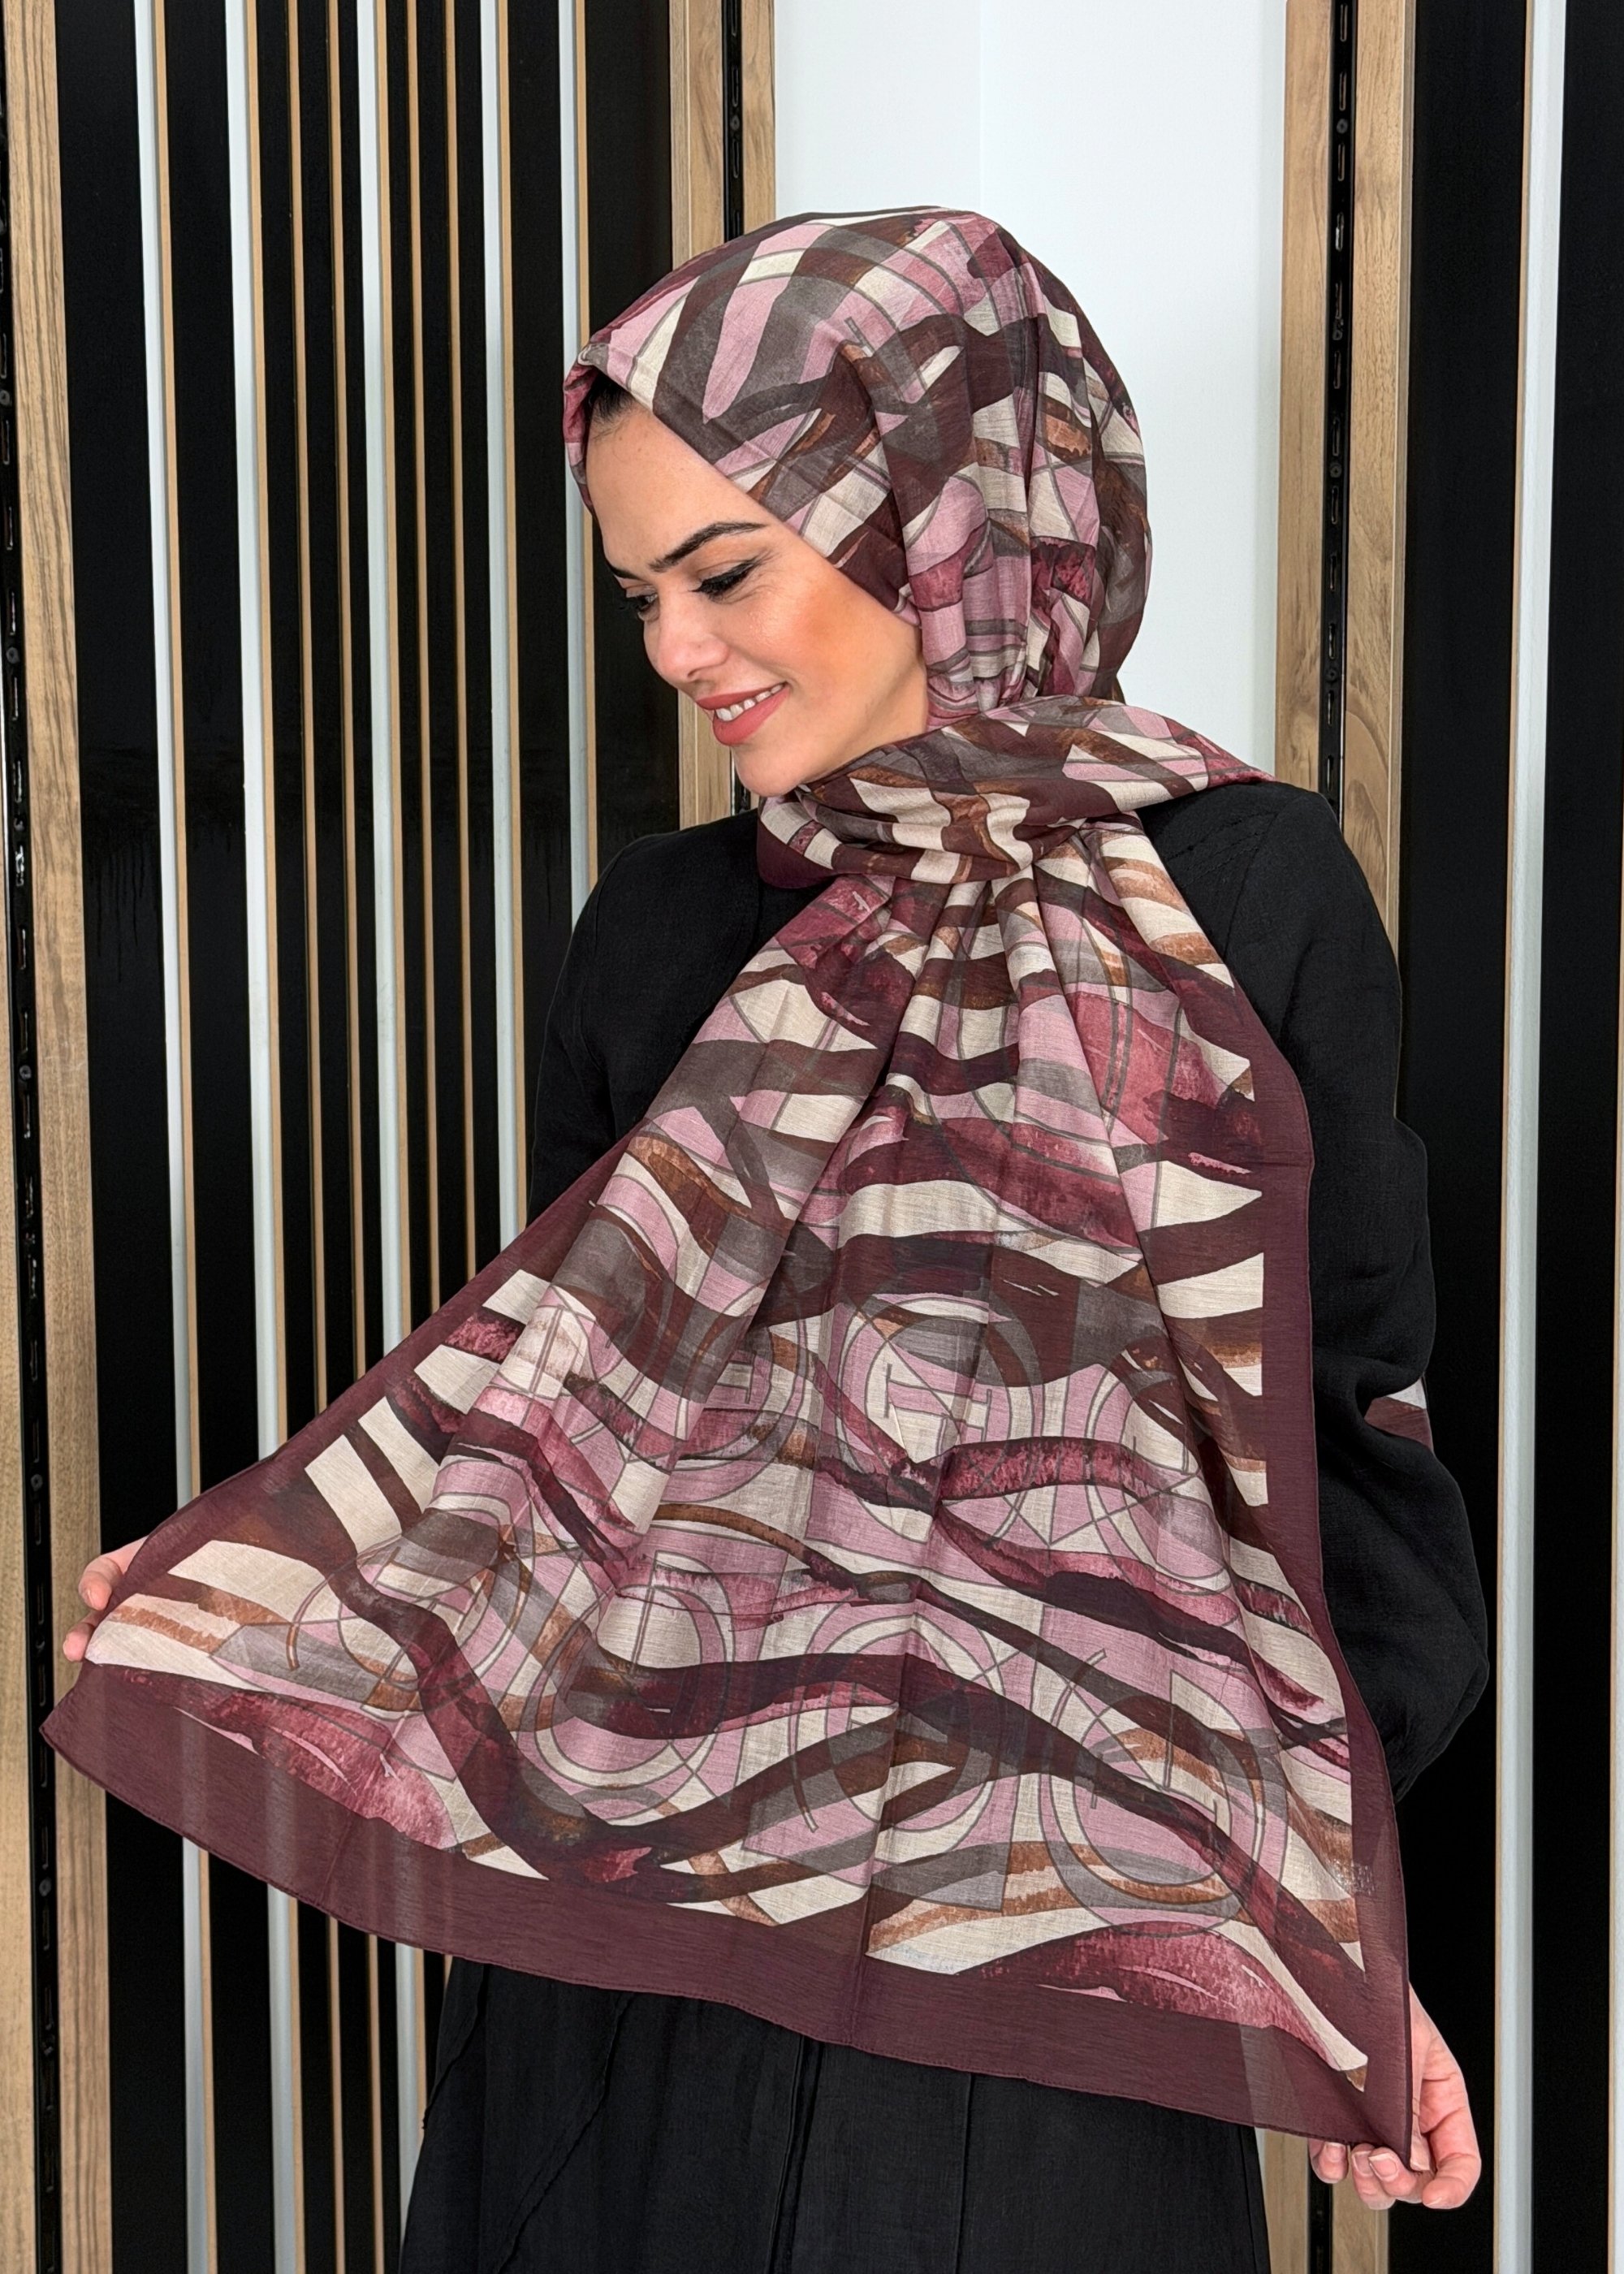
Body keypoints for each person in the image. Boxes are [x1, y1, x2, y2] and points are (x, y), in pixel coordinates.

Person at [58, 210, 1486, 2271]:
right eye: (640, 592)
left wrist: (1323, 1922)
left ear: (954, 518)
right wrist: (284, 1577)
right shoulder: (657, 928)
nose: (674, 652)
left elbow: (1325, 1456)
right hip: (630, 1965)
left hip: (1028, 1985)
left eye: (725, 572)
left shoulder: (1232, 890)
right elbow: (557, 1431)